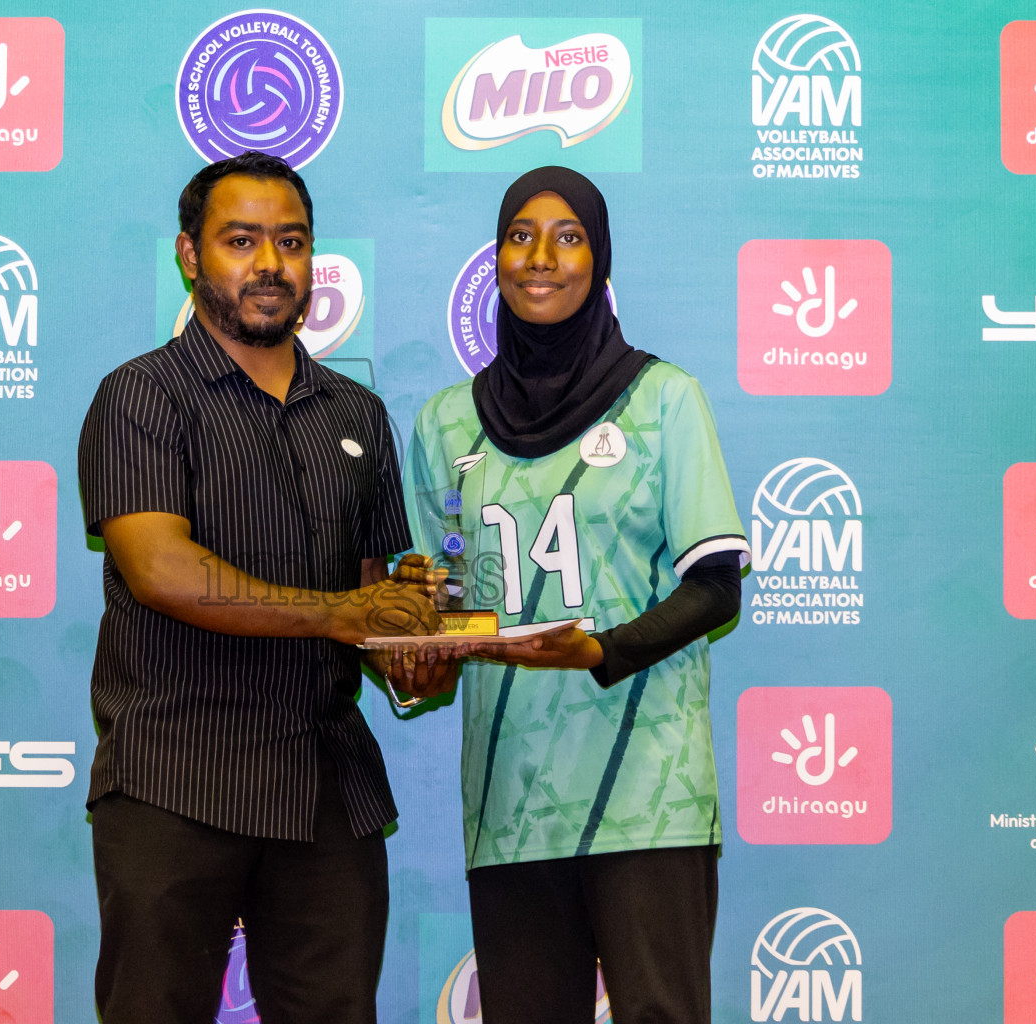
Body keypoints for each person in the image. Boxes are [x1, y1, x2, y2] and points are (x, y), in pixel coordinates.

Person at [76, 151, 438, 1024]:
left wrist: (421, 648)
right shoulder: (140, 398)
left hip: (326, 787)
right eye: (241, 240)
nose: (269, 264)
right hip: (175, 777)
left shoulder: (357, 414)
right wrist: (344, 615)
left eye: (291, 242)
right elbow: (161, 570)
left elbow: (373, 606)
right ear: (190, 256)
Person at [402, 166, 749, 1024]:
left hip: (650, 800)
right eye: (520, 235)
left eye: (568, 237)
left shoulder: (664, 399)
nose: (541, 257)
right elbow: (438, 606)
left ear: (599, 260)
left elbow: (714, 589)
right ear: (496, 256)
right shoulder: (445, 422)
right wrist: (416, 653)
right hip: (509, 798)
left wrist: (600, 650)